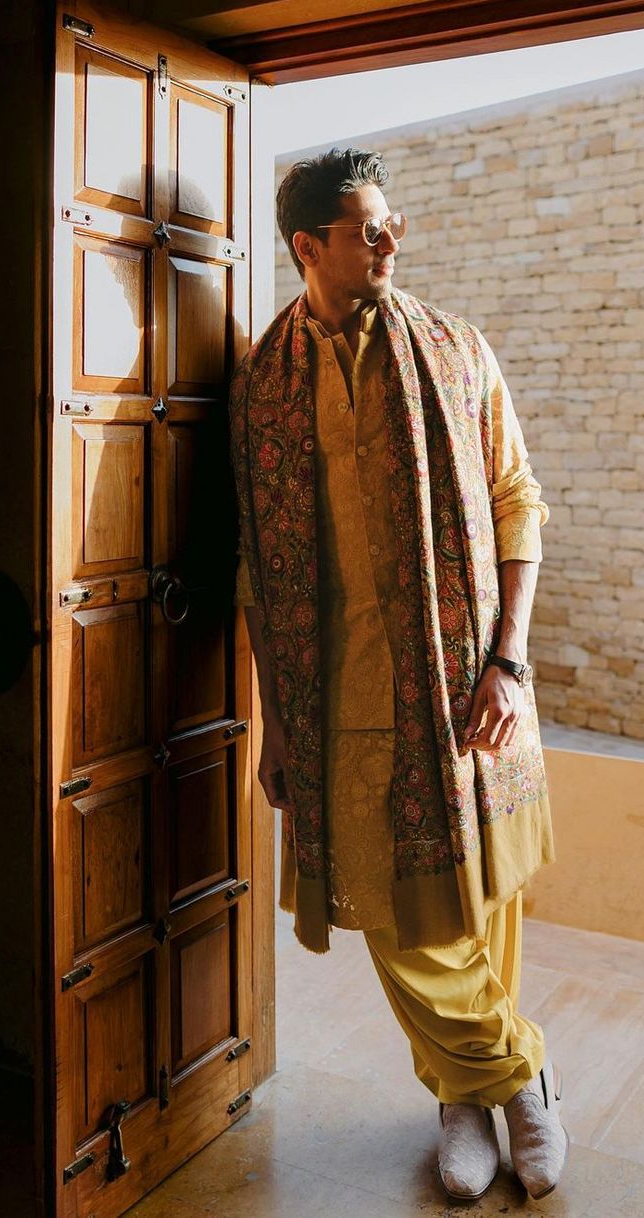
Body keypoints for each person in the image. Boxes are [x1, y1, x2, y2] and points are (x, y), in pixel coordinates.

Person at [228, 147, 568, 1202]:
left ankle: (463, 1098)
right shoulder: (261, 381)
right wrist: (275, 720)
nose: (391, 238)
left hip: (468, 677)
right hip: (340, 692)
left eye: (392, 221)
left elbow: (519, 503)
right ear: (307, 247)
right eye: (367, 226)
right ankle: (523, 1076)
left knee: (478, 906)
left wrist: (509, 658)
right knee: (394, 909)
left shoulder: (458, 352)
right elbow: (253, 556)